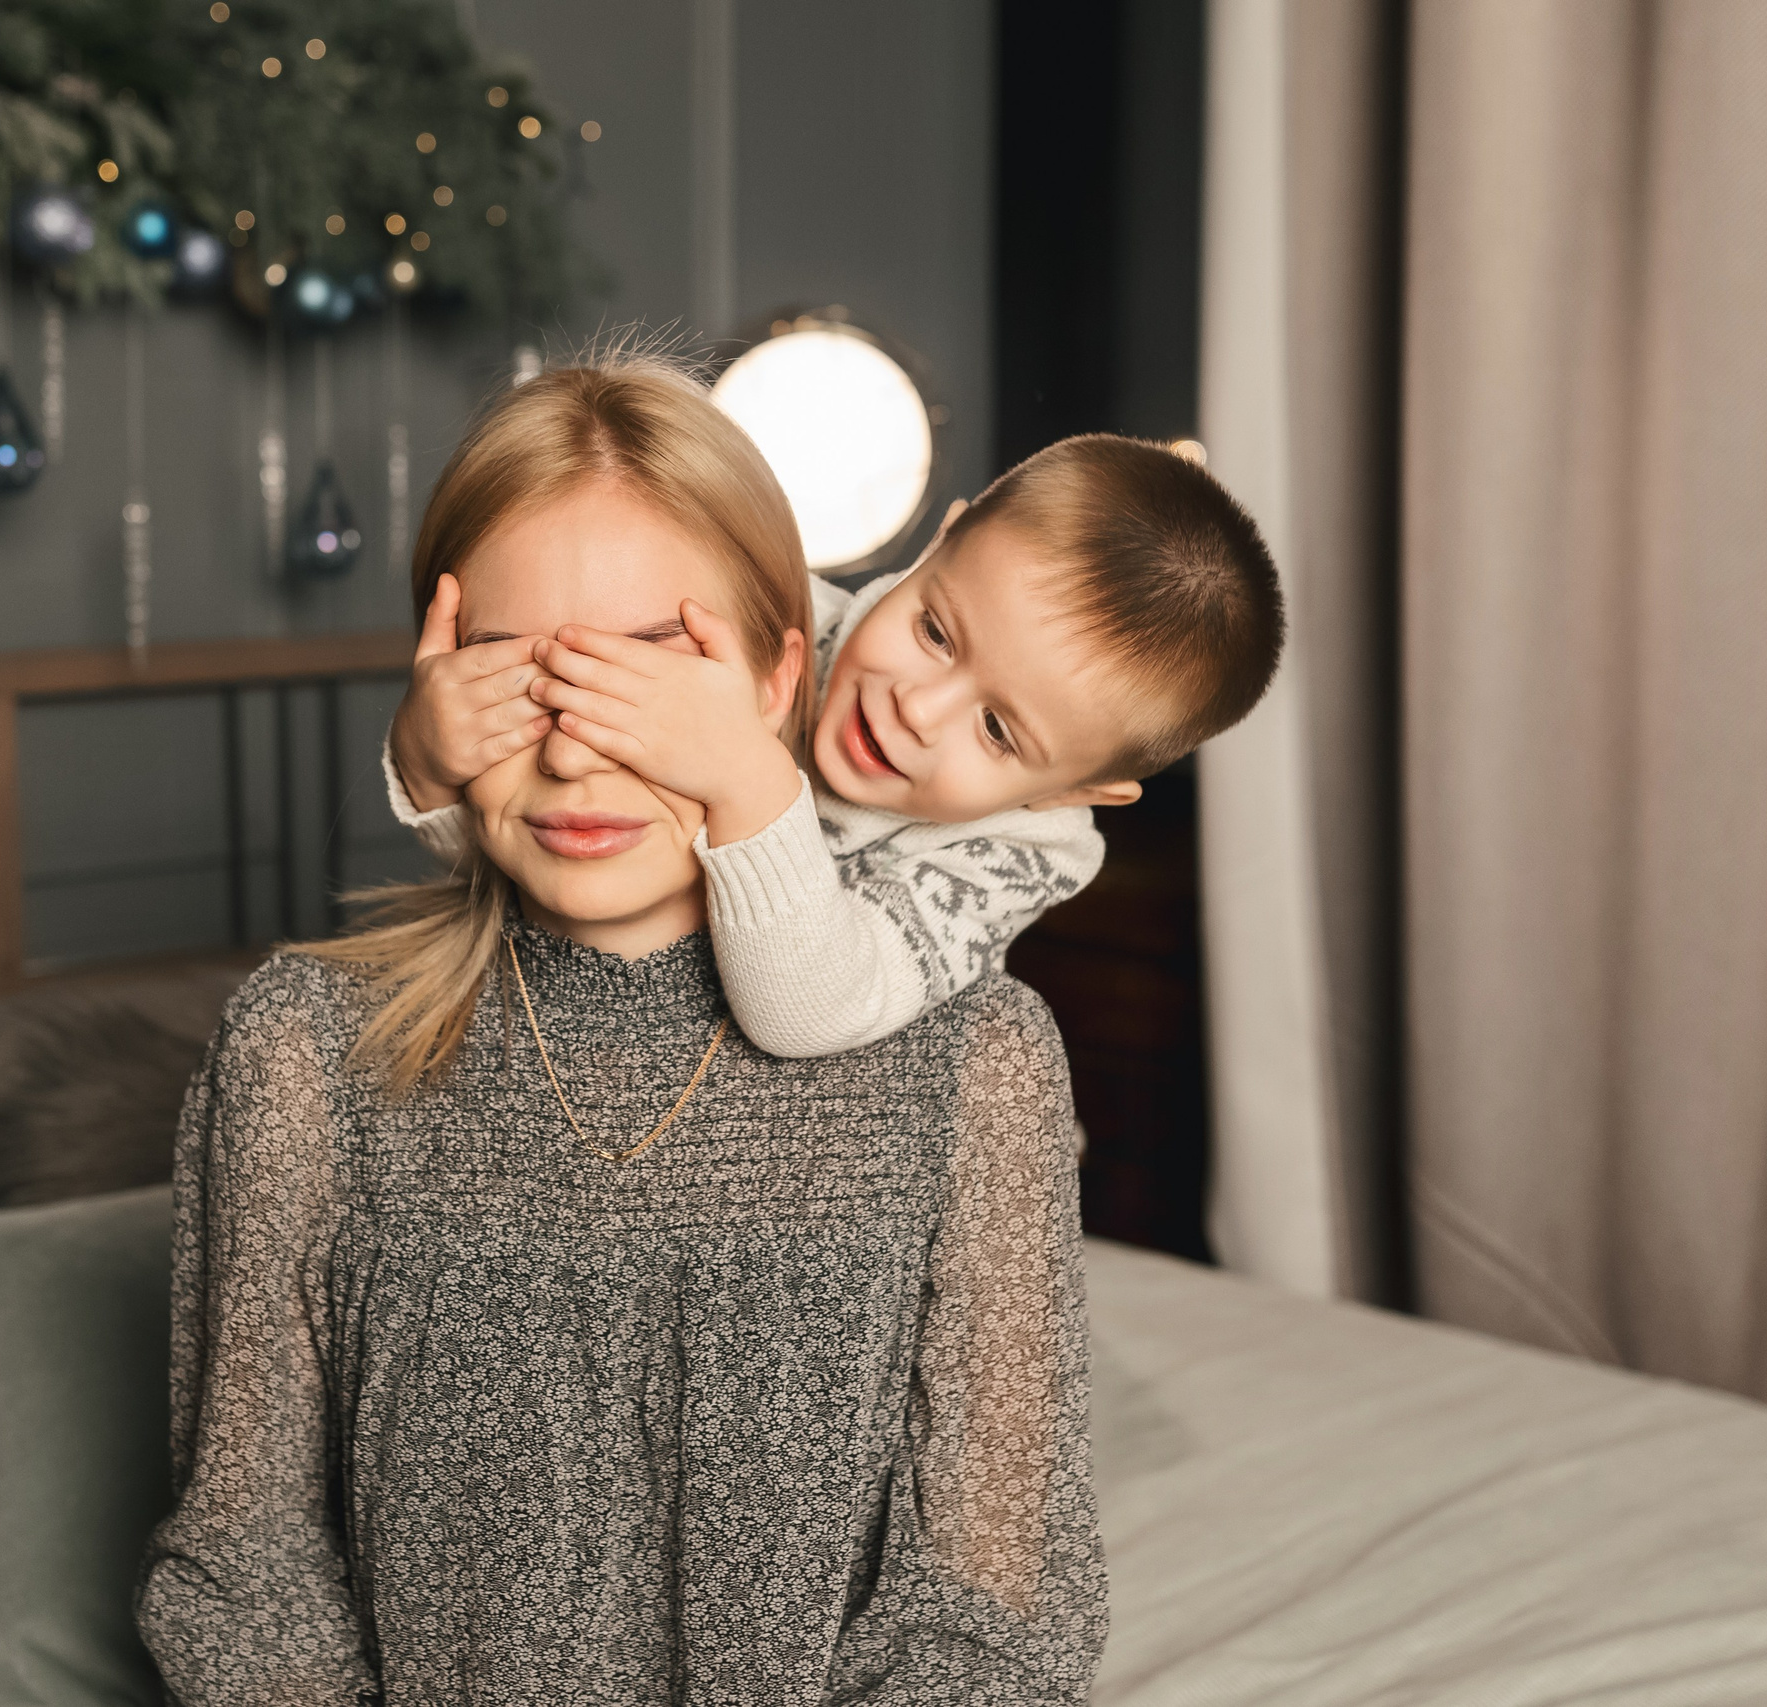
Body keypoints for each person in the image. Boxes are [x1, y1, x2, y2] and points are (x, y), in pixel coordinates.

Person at [139, 357, 1108, 1704]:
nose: (579, 754)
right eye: (516, 679)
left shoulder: (973, 1062)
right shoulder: (303, 1050)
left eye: (649, 679)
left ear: (780, 681)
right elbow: (243, 1571)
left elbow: (992, 1604)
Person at [387, 434, 1284, 1057]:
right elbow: (532, 841)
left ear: (1073, 791)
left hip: (874, 1143)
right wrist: (432, 766)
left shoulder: (1017, 853)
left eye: (998, 728)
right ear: (940, 539)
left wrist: (747, 776)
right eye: (936, 630)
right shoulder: (767, 625)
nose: (918, 707)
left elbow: (807, 1013)